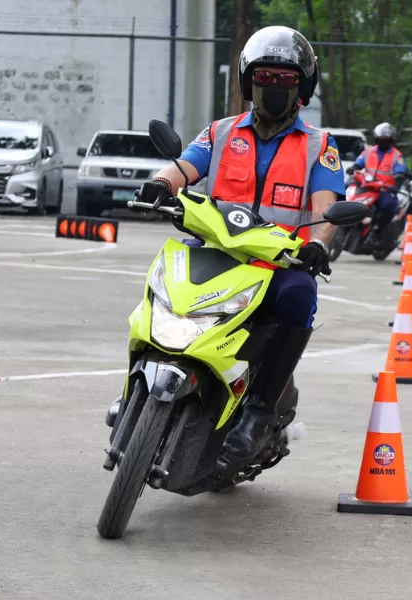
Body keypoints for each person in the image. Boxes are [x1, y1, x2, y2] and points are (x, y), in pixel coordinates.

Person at [135, 25, 346, 468]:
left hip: (276, 264)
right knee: (160, 283)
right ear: (248, 81)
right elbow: (182, 168)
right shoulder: (220, 132)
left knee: (301, 298)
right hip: (213, 249)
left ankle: (257, 412)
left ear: (302, 87)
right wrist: (158, 185)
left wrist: (319, 246)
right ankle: (138, 383)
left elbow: (327, 210)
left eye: (285, 79)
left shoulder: (318, 147)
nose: (272, 87)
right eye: (264, 77)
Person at [348, 122, 408, 245]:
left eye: (386, 139)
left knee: (389, 206)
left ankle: (376, 232)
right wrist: (353, 167)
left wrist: (398, 180)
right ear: (376, 138)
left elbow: (400, 171)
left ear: (391, 140)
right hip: (366, 186)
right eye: (381, 139)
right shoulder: (369, 151)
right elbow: (359, 163)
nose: (383, 141)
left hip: (384, 190)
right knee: (346, 193)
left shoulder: (397, 156)